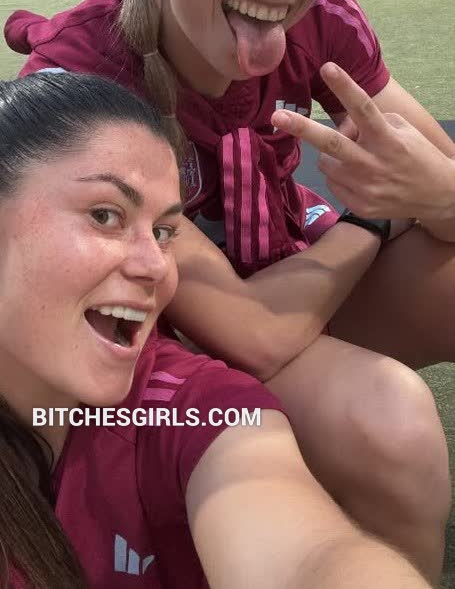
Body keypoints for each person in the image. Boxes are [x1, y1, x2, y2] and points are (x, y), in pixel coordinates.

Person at [4, 0, 455, 582]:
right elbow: (252, 332)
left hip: (285, 270)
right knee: (388, 422)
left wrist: (430, 195)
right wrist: (374, 215)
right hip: (158, 332)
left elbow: (437, 182)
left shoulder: (320, 20)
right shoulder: (88, 77)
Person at [0, 70, 434, 589]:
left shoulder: (190, 408)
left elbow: (304, 557)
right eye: (105, 215)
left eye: (164, 232)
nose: (157, 267)